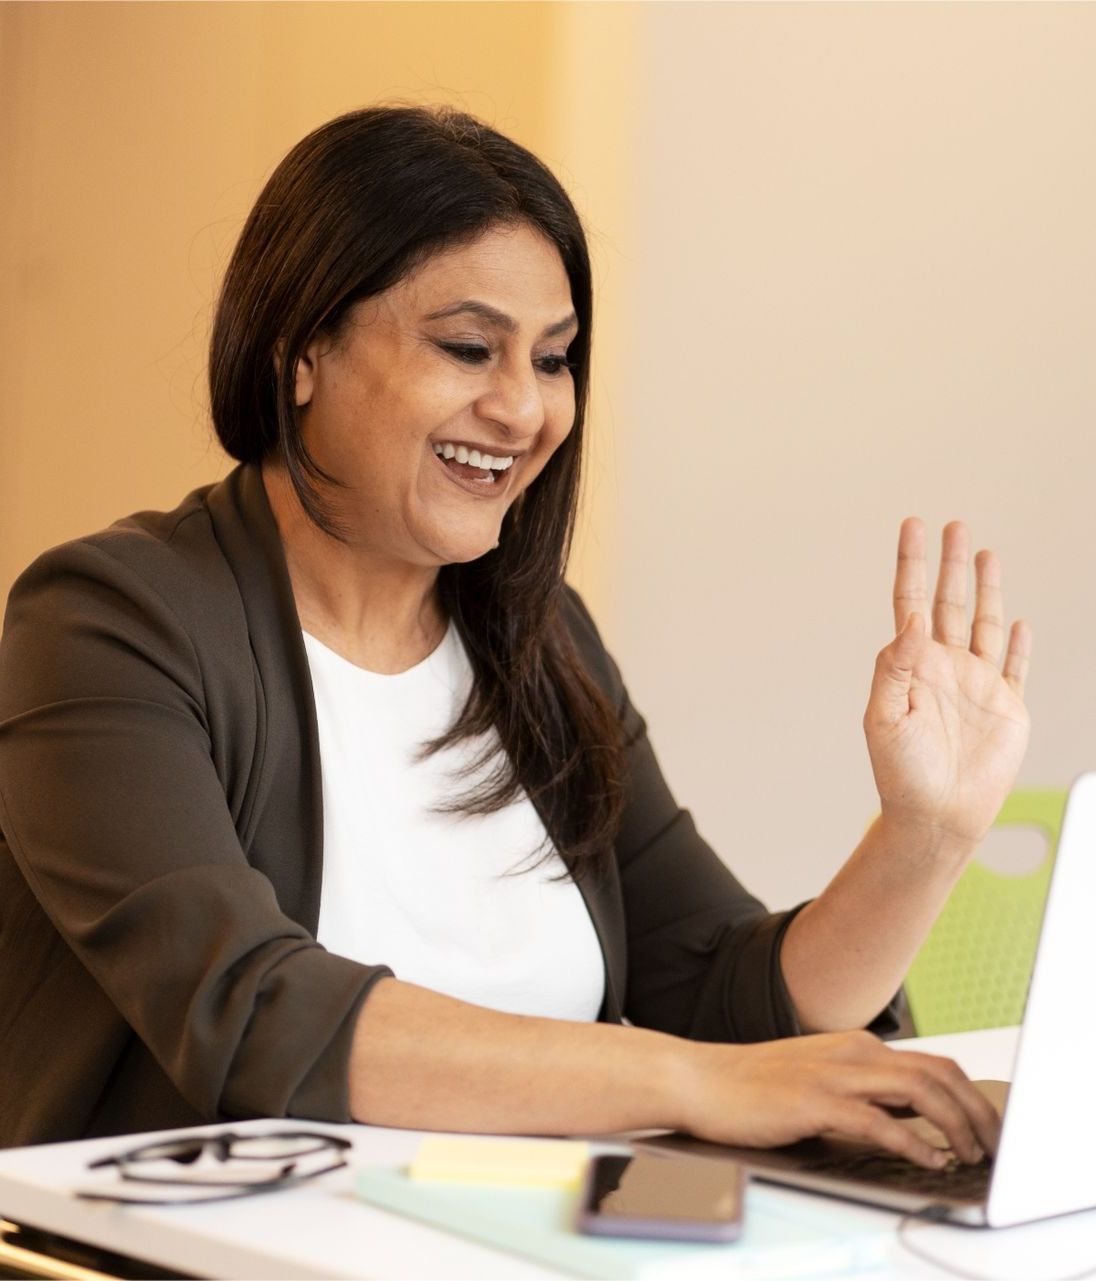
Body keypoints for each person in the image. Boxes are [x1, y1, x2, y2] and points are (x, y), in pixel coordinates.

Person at [0, 106, 1030, 1166]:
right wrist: (692, 1079)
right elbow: (256, 1012)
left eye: (554, 359)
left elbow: (734, 1003)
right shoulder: (105, 621)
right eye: (467, 348)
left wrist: (926, 834)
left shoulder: (540, 643)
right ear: (299, 351)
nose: (523, 408)